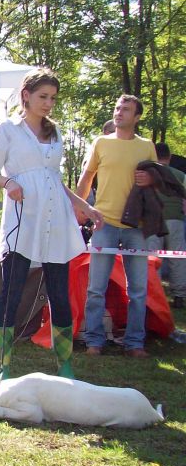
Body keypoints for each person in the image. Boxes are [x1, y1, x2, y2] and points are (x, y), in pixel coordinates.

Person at [0, 68, 102, 380]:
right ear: (26, 96)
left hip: (56, 221)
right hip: (22, 221)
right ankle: (1, 367)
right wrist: (7, 183)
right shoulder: (7, 130)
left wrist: (84, 206)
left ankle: (65, 366)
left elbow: (54, 180)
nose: (48, 103)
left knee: (60, 294)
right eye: (43, 96)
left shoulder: (55, 133)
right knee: (11, 293)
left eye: (53, 98)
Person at [76, 94, 158, 357]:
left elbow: (157, 182)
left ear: (137, 117)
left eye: (126, 109)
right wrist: (79, 208)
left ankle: (135, 343)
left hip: (137, 225)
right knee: (95, 288)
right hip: (103, 222)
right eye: (117, 108)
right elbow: (87, 176)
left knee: (138, 289)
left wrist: (149, 179)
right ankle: (94, 341)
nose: (119, 112)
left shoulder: (147, 146)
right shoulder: (101, 142)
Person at [147, 143, 186, 308]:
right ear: (169, 157)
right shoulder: (181, 175)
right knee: (177, 258)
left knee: (153, 259)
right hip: (175, 220)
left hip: (153, 220)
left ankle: (155, 295)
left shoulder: (148, 174)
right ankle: (179, 296)